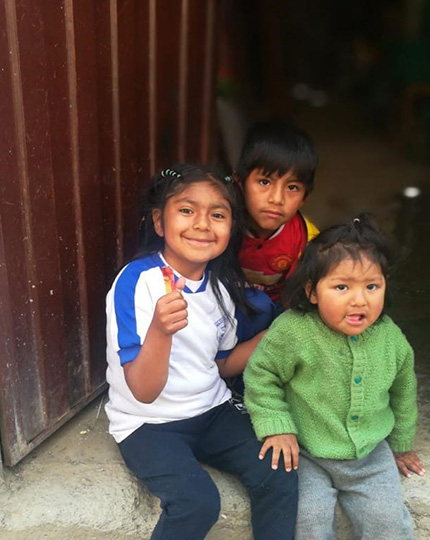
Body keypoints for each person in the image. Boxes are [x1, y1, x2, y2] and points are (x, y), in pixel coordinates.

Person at [105, 164, 298, 540]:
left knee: (278, 467)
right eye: (187, 210)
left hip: (211, 411)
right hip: (148, 425)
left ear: (231, 228)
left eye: (218, 215)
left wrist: (273, 336)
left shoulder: (221, 290)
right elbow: (143, 390)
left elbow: (221, 364)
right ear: (160, 222)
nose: (203, 224)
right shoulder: (136, 282)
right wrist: (161, 331)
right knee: (198, 502)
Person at [244, 214, 425, 540]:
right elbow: (262, 376)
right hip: (308, 454)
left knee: (389, 525)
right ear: (312, 292)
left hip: (370, 457)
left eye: (372, 286)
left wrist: (400, 444)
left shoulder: (390, 337)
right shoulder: (294, 330)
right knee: (307, 522)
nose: (360, 299)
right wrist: (277, 427)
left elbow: (403, 389)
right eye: (342, 287)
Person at [236, 120, 319, 306]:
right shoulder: (218, 224)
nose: (277, 199)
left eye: (292, 187)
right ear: (240, 183)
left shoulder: (307, 240)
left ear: (305, 196)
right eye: (265, 182)